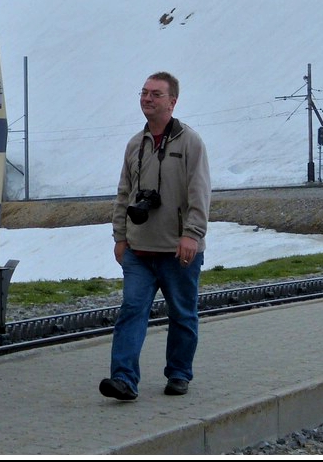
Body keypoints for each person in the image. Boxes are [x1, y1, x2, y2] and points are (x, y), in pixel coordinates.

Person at [99, 71, 212, 401]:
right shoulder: (135, 144)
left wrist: (191, 234)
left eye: (155, 94)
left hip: (179, 250)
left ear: (172, 102)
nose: (147, 98)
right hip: (139, 249)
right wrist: (120, 236)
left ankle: (178, 373)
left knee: (182, 314)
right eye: (144, 93)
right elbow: (124, 193)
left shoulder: (191, 142)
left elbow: (200, 192)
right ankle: (123, 379)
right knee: (131, 311)